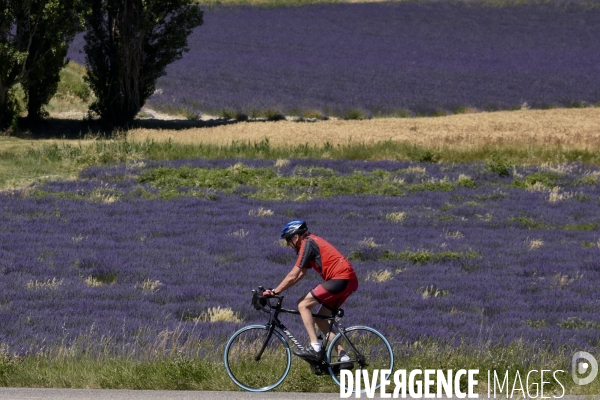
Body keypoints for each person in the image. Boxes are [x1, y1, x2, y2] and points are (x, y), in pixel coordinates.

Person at [262, 220, 359, 362]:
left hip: (341, 279)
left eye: (288, 241)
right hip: (348, 281)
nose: (288, 245)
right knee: (320, 319)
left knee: (303, 304)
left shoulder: (308, 243)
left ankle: (315, 348)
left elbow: (293, 275)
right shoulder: (311, 243)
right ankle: (343, 356)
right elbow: (300, 275)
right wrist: (277, 291)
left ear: (295, 237)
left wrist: (275, 292)